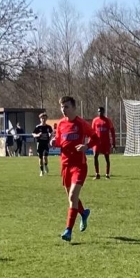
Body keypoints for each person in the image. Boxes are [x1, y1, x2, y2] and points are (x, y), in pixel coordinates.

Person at [53, 96, 95, 241]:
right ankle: (83, 213)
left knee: (72, 196)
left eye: (66, 107)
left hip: (79, 166)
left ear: (74, 108)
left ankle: (68, 231)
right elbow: (60, 141)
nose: (63, 110)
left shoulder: (81, 124)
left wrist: (86, 146)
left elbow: (95, 137)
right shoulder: (60, 124)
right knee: (72, 198)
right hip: (65, 165)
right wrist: (54, 142)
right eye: (62, 107)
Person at [90, 106, 117, 179]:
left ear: (103, 112)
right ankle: (97, 174)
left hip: (106, 142)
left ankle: (107, 174)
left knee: (107, 158)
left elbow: (112, 132)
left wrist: (114, 143)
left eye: (101, 111)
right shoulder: (95, 120)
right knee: (95, 156)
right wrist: (90, 142)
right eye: (98, 111)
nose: (100, 113)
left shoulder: (108, 121)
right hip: (97, 142)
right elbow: (92, 132)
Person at [32, 112, 54, 176]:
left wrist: (50, 139)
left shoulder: (48, 127)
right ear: (40, 119)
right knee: (40, 158)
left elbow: (52, 133)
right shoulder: (38, 127)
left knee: (45, 157)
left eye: (44, 118)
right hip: (39, 144)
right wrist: (37, 135)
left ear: (46, 119)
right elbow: (33, 134)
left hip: (46, 144)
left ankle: (46, 165)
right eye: (42, 118)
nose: (43, 120)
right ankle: (41, 171)